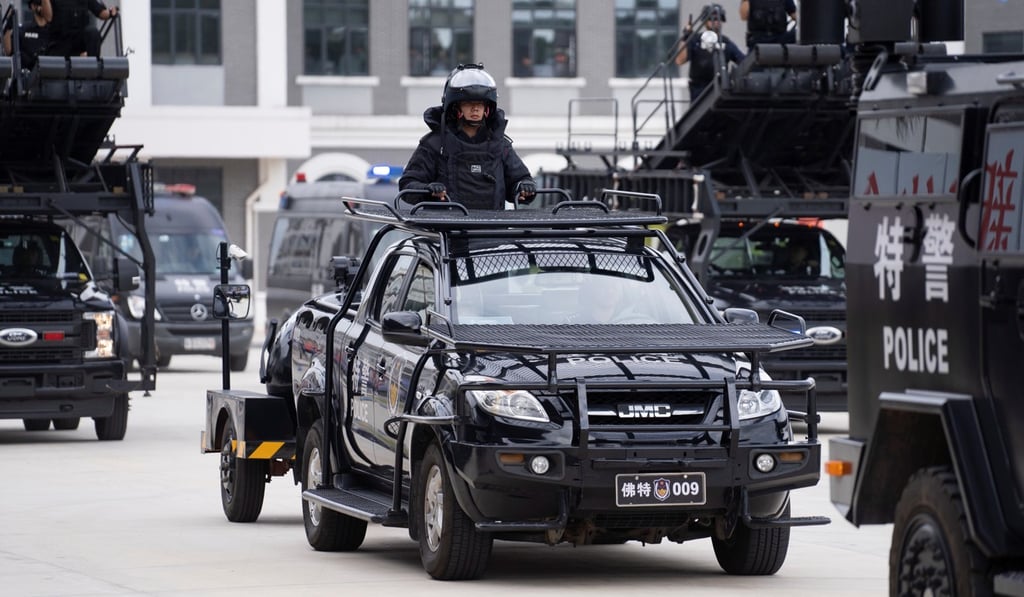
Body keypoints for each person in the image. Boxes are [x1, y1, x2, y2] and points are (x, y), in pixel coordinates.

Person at [399, 63, 537, 209]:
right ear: (455, 107)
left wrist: (524, 187)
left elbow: (520, 180)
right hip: (446, 223)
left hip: (492, 223)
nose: (475, 109)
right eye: (468, 103)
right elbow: (408, 184)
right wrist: (428, 190)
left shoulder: (500, 145)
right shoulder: (435, 144)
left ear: (487, 108)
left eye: (480, 104)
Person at [674, 4, 745, 102]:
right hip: (699, 89)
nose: (716, 22)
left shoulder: (726, 43)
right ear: (705, 21)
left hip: (720, 89)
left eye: (719, 19)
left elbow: (742, 61)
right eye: (712, 19)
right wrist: (685, 38)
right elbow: (679, 61)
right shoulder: (696, 40)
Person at [46, 0, 118, 59]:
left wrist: (111, 12)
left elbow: (101, 12)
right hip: (60, 42)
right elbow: (47, 17)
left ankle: (93, 66)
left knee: (93, 33)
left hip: (78, 41)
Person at [2, 0, 53, 70]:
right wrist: (8, 27)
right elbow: (9, 51)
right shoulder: (23, 29)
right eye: (38, 3)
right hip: (26, 73)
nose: (41, 6)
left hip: (48, 72)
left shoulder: (53, 31)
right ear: (32, 6)